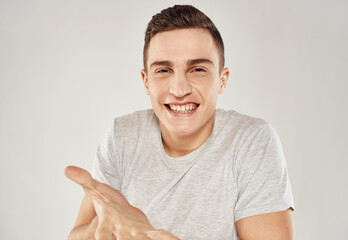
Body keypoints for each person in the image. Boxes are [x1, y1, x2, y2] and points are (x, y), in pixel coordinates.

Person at [65, 5, 294, 240]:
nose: (179, 90)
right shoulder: (121, 135)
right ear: (146, 82)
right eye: (164, 70)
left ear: (222, 80)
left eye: (197, 69)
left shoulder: (251, 140)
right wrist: (104, 226)